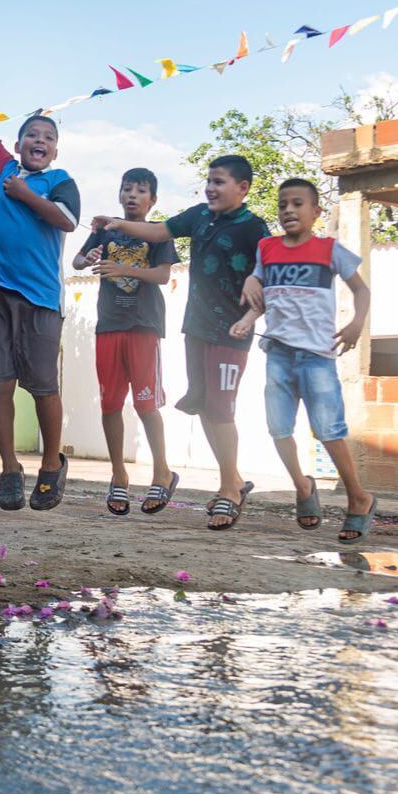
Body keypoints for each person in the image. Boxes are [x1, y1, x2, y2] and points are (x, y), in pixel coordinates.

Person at [90, 154, 268, 531]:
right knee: (205, 406)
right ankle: (233, 480)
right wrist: (116, 223)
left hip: (232, 331)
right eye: (209, 180)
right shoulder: (198, 216)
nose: (211, 187)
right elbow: (158, 232)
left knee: (221, 409)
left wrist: (257, 279)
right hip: (196, 328)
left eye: (220, 182)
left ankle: (229, 490)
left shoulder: (254, 226)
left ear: (243, 188)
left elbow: (269, 264)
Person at [0, 43, 80, 512]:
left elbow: (66, 221)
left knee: (45, 386)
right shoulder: (4, 166)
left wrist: (24, 194)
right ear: (21, 141)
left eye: (47, 137)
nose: (39, 141)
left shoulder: (59, 181)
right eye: (32, 134)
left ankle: (52, 463)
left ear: (54, 149)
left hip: (42, 299)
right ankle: (10, 466)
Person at [234, 177, 376, 541]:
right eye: (283, 205)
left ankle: (359, 499)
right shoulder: (266, 248)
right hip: (278, 353)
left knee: (329, 431)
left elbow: (361, 290)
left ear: (315, 211)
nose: (288, 211)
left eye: (298, 204)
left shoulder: (329, 249)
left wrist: (356, 323)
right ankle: (302, 486)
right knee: (279, 429)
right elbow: (263, 294)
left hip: (316, 357)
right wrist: (250, 300)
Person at [72, 167, 178, 516]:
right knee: (110, 404)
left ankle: (162, 471)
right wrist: (86, 258)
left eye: (141, 190)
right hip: (109, 326)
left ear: (153, 200)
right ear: (119, 194)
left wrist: (124, 270)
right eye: (127, 189)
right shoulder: (105, 229)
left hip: (144, 326)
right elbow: (77, 259)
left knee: (147, 405)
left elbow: (162, 275)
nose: (132, 195)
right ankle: (119, 474)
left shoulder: (160, 234)